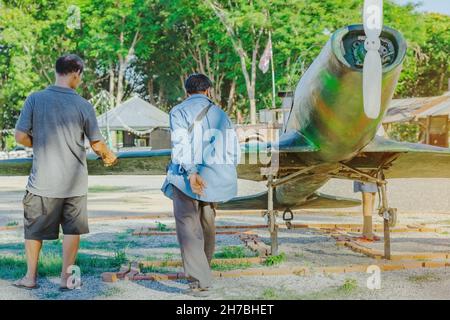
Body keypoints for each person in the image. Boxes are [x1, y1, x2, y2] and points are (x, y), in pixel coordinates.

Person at [13, 54, 117, 290]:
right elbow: (97, 144)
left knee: (33, 231)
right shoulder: (83, 105)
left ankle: (30, 278)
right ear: (75, 73)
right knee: (72, 230)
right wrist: (109, 157)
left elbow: (20, 136)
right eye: (80, 76)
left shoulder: (35, 99)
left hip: (42, 181)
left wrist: (38, 144)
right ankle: (66, 279)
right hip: (74, 184)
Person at [161, 74, 240, 295]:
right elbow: (233, 149)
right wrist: (224, 171)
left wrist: (192, 172)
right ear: (208, 90)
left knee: (188, 228)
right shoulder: (221, 114)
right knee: (207, 225)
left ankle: (199, 279)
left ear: (186, 92)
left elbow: (180, 143)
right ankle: (204, 268)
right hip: (213, 177)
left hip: (188, 179)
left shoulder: (179, 111)